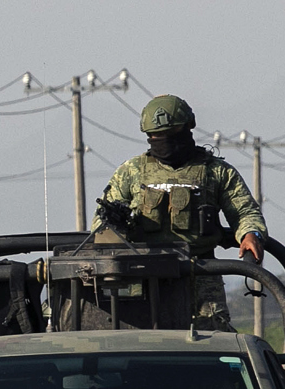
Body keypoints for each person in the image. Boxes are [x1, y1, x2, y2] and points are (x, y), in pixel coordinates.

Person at [93, 95, 267, 332]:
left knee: (211, 342)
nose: (162, 140)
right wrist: (115, 228)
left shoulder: (215, 172)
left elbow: (244, 210)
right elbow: (101, 222)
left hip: (201, 274)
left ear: (187, 128)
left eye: (171, 132)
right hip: (141, 278)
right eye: (156, 136)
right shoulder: (131, 171)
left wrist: (250, 234)